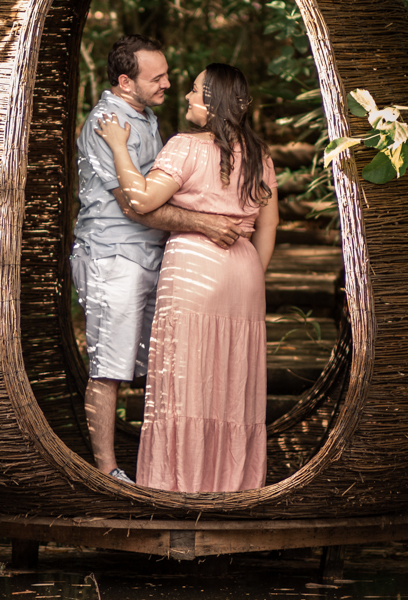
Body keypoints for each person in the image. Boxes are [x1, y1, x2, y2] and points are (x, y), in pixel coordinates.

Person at [96, 63, 280, 492]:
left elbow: (141, 199)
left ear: (212, 101)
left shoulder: (185, 146)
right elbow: (268, 227)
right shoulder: (260, 155)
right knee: (233, 384)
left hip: (196, 269)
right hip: (245, 271)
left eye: (196, 91)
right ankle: (231, 489)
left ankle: (178, 489)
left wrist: (119, 146)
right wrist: (248, 271)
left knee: (186, 381)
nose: (187, 97)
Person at [72, 36, 246, 484]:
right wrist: (205, 224)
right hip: (115, 256)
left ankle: (157, 464)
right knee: (110, 365)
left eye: (168, 75)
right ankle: (108, 471)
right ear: (125, 81)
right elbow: (136, 205)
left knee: (157, 365)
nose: (169, 83)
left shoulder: (146, 118)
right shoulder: (108, 122)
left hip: (153, 254)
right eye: (159, 77)